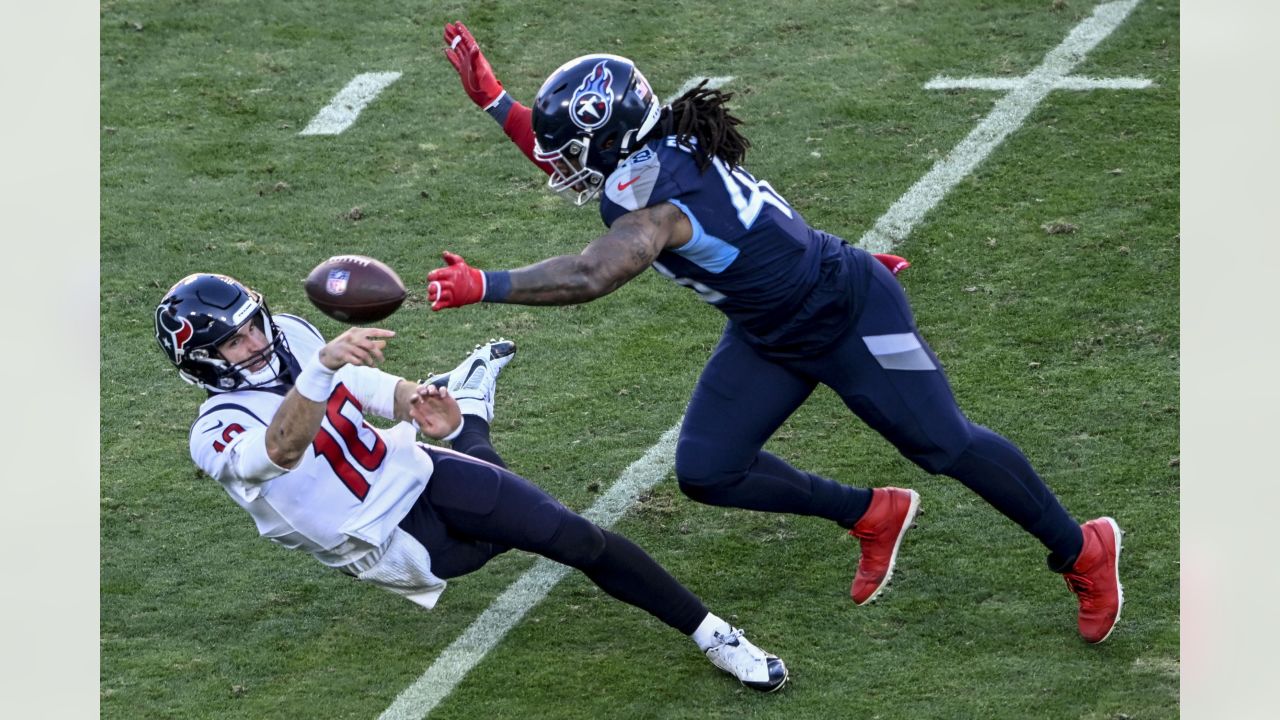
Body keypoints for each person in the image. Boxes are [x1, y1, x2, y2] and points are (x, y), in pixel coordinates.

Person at [429, 23, 1124, 644]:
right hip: (771, 329)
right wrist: (496, 101)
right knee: (708, 469)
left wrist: (485, 284)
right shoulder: (649, 153)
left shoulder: (657, 201)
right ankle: (870, 513)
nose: (561, 170)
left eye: (575, 153)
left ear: (609, 141)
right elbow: (574, 164)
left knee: (944, 443)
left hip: (847, 311)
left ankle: (1081, 549)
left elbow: (590, 275)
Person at [153, 272, 788, 692]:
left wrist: (408, 397)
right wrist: (321, 369)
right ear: (201, 361)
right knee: (492, 541)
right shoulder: (215, 429)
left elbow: (351, 383)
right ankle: (474, 419)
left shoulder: (292, 333)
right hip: (378, 540)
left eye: (254, 324)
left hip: (412, 470)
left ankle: (715, 635)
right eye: (234, 342)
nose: (257, 341)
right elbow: (281, 449)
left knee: (570, 535)